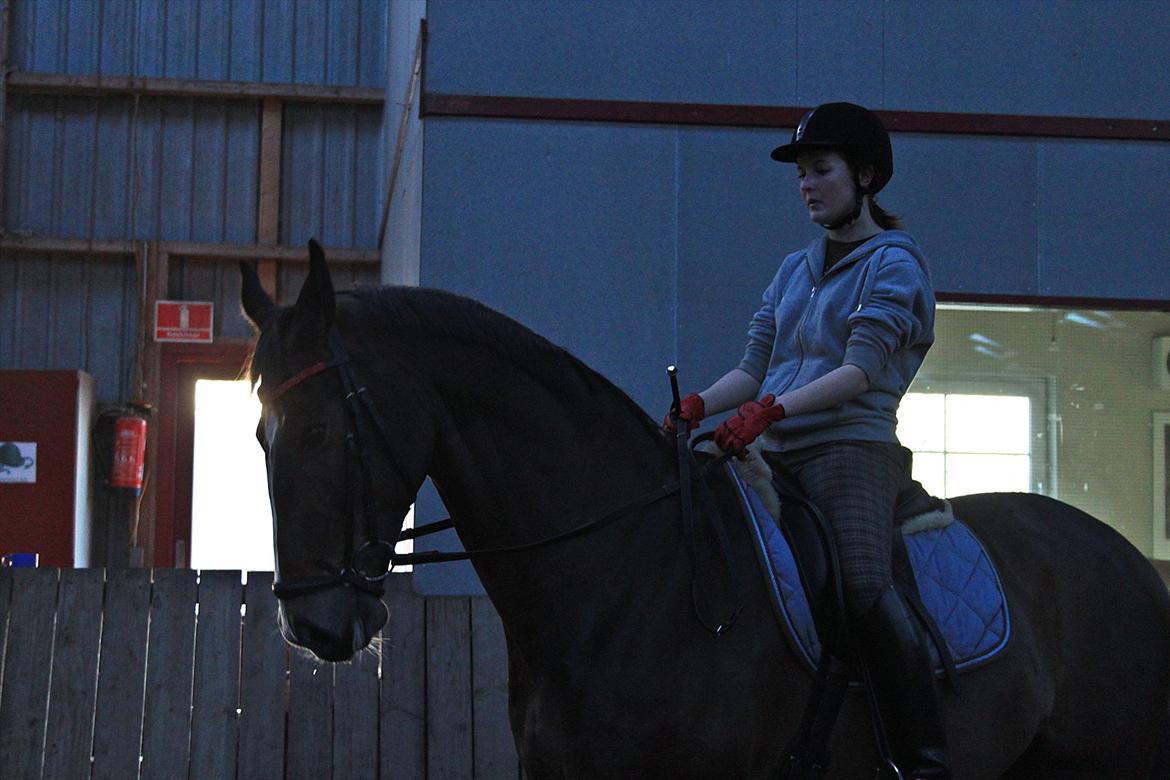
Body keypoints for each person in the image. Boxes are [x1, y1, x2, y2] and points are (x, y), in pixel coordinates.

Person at [665, 102, 948, 778]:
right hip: (773, 441)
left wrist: (769, 412)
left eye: (821, 170)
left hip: (850, 450)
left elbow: (857, 373)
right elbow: (752, 368)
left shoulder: (896, 267)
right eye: (801, 176)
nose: (807, 186)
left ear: (867, 176)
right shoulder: (795, 269)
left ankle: (922, 755)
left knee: (861, 584)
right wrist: (700, 403)